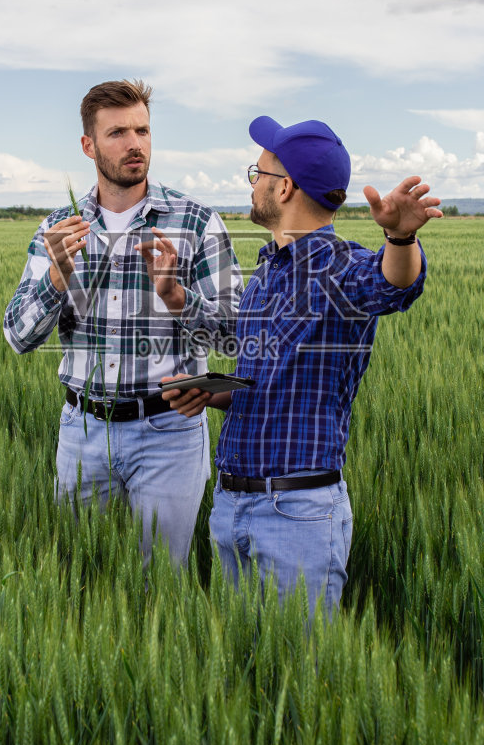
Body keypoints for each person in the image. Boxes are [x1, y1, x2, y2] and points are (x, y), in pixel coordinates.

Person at [163, 114, 440, 616]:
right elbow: (260, 378)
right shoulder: (268, 270)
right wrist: (209, 389)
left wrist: (400, 240)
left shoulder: (337, 266)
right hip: (231, 505)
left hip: (296, 515)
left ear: (284, 187)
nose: (251, 184)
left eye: (258, 174)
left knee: (299, 676)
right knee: (241, 675)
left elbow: (391, 285)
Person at [4, 79, 240, 567]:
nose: (135, 144)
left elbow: (235, 336)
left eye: (143, 130)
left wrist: (177, 294)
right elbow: (18, 337)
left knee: (158, 586)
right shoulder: (57, 231)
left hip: (169, 433)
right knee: (78, 582)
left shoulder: (195, 222)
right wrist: (56, 275)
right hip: (81, 431)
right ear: (89, 146)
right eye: (117, 133)